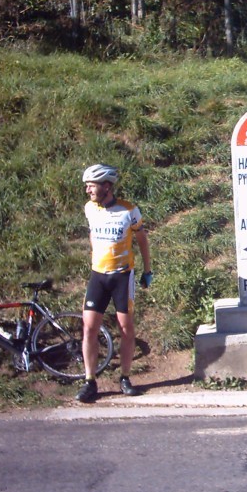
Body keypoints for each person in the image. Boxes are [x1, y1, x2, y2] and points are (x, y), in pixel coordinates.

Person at [76, 164, 153, 403]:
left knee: (126, 328)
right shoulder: (89, 208)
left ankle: (125, 377)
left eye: (92, 185)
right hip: (98, 275)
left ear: (106, 186)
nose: (88, 190)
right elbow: (91, 233)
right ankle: (90, 382)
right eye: (86, 185)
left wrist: (147, 269)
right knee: (89, 327)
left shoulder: (128, 210)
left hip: (122, 276)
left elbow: (142, 239)